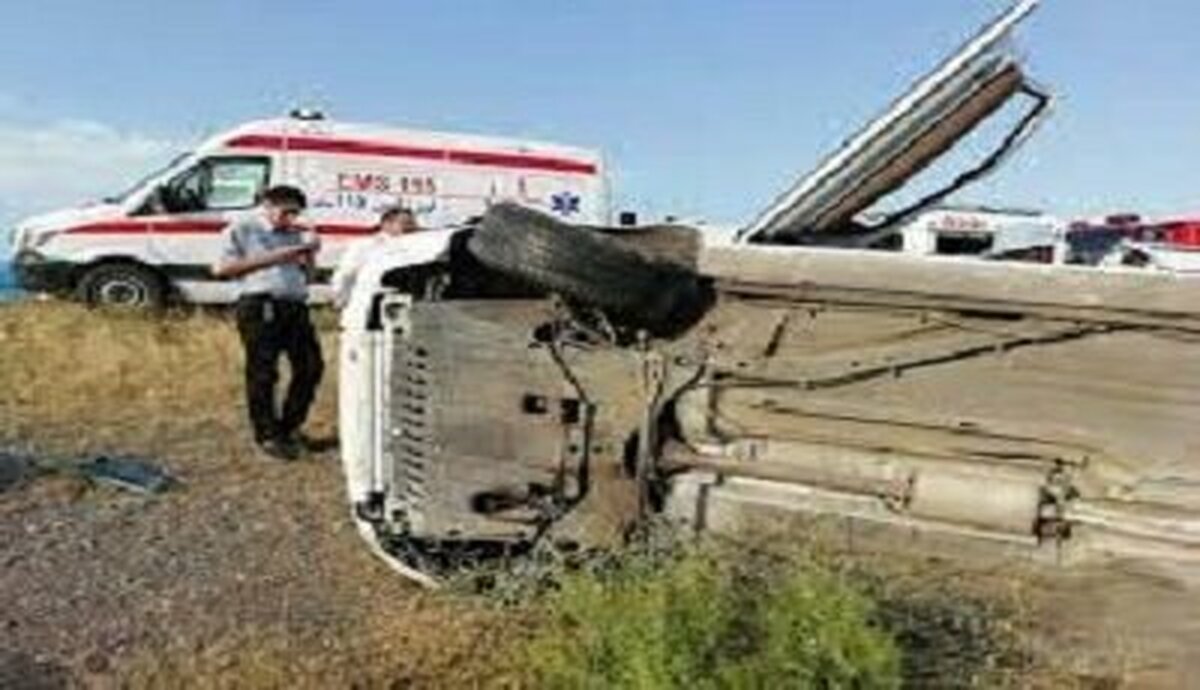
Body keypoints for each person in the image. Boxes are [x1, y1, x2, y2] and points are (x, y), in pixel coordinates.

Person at [212, 185, 324, 461]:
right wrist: (280, 255)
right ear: (268, 206)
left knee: (310, 366)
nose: (290, 218)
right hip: (260, 303)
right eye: (286, 212)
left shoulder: (295, 233)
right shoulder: (243, 228)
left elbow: (309, 277)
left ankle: (289, 427)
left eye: (295, 213)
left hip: (294, 304)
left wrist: (310, 253)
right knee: (264, 372)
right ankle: (267, 435)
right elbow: (222, 269)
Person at [331, 206, 421, 308]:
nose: (410, 228)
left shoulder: (417, 249)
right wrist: (341, 299)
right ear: (386, 224)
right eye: (405, 223)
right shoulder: (364, 246)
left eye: (413, 224)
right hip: (368, 301)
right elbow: (346, 273)